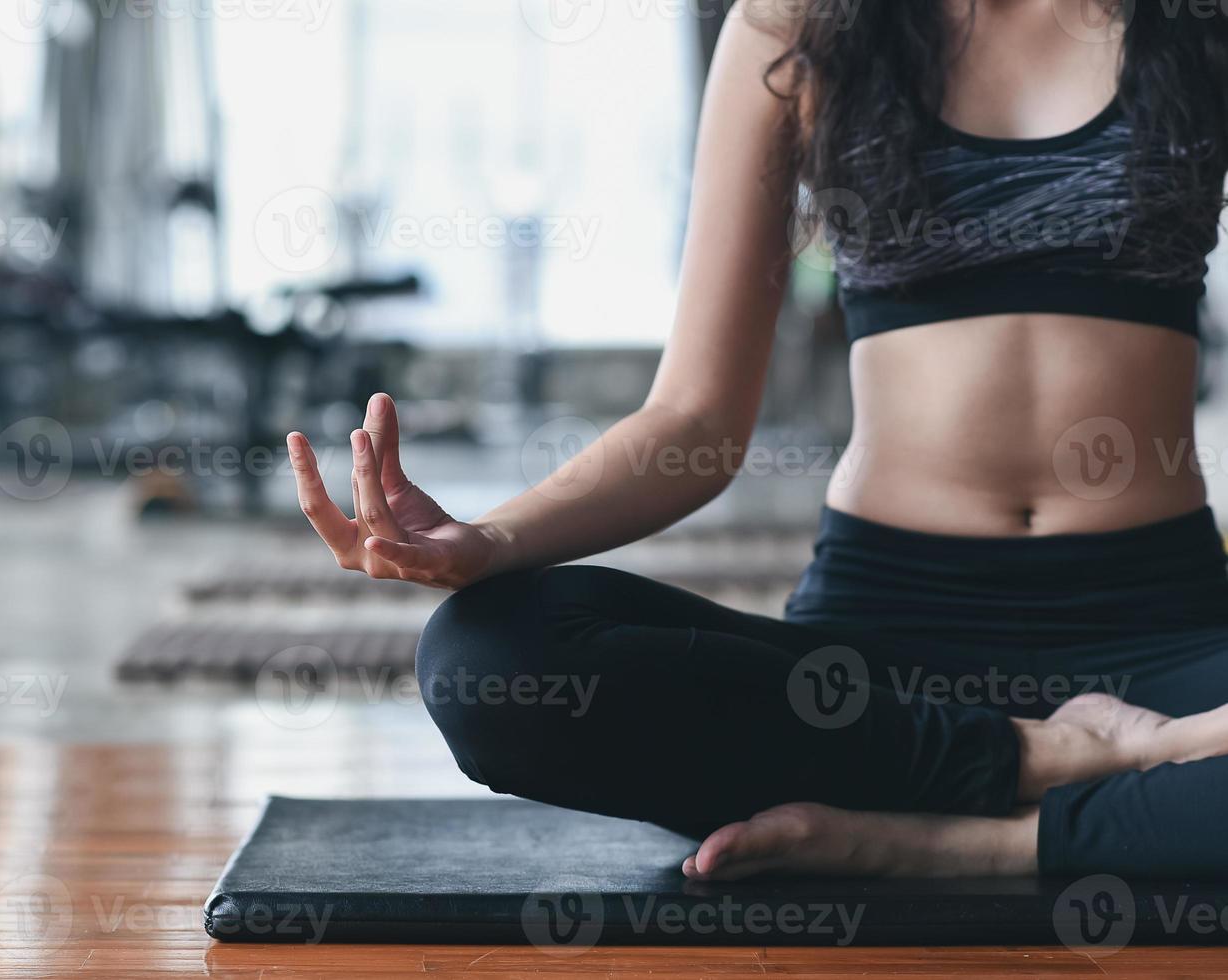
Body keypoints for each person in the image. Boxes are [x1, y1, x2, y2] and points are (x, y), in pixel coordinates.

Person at [285, 0, 1228, 879]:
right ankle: (1055, 763)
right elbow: (692, 419)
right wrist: (491, 541)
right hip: (886, 647)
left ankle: (949, 842)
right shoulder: (793, 25)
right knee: (488, 662)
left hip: (1161, 631)